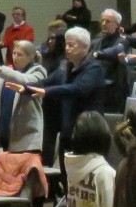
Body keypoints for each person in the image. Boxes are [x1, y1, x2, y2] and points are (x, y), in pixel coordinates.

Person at [29, 27, 108, 167]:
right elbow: (45, 82)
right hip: (68, 130)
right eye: (66, 44)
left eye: (72, 45)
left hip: (89, 132)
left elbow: (78, 89)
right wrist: (24, 88)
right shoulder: (65, 67)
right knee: (65, 177)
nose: (67, 48)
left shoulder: (94, 68)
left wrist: (47, 92)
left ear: (85, 47)